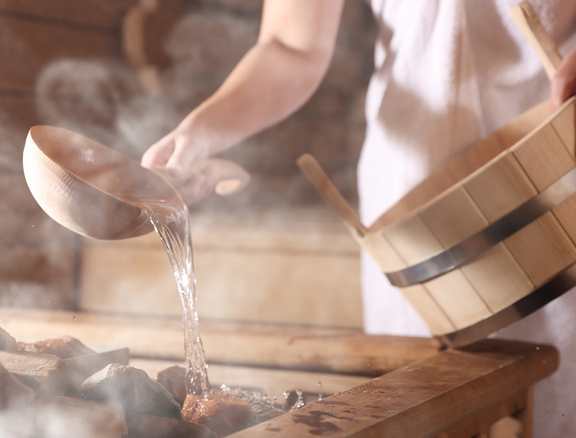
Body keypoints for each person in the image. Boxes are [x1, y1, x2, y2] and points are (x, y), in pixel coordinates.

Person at [141, 1, 576, 436]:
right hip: (409, 222)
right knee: (421, 414)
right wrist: (197, 135)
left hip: (556, 175)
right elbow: (292, 44)